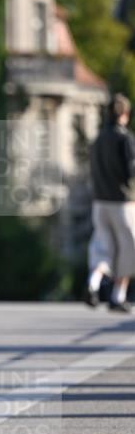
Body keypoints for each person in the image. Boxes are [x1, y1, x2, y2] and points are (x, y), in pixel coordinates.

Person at [85, 93, 135, 313]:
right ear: (125, 114)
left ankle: (93, 283)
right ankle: (118, 295)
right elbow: (131, 171)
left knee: (102, 247)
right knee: (128, 250)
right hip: (122, 202)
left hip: (99, 201)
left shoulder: (97, 139)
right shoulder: (125, 138)